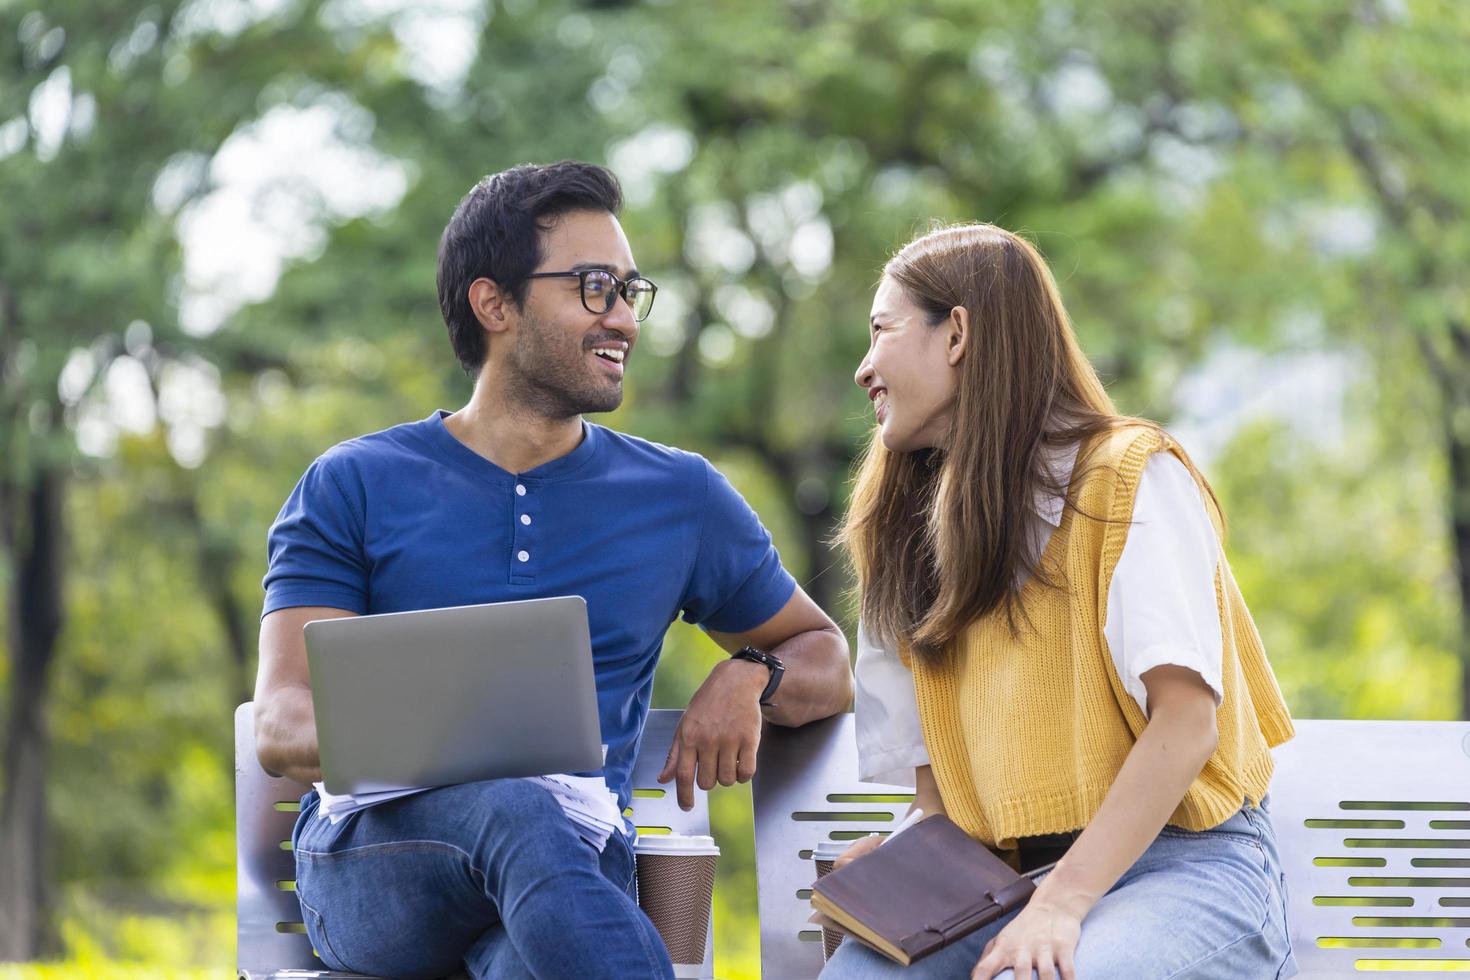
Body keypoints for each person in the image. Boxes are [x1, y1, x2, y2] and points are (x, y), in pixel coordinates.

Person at [253, 161, 853, 980]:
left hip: (573, 867)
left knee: (529, 954)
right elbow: (283, 725)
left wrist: (752, 673)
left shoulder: (680, 496)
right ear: (493, 302)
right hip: (374, 869)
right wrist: (444, 742)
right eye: (594, 287)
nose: (624, 320)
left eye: (630, 291)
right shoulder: (352, 485)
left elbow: (826, 657)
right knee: (514, 805)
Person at [820, 223, 1298, 980]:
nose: (863, 367)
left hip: (1185, 865)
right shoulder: (901, 533)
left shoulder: (1129, 477)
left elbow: (1187, 724)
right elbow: (941, 805)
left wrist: (1063, 903)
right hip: (1003, 885)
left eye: (882, 330)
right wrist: (893, 878)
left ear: (958, 335)